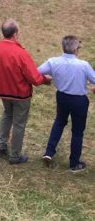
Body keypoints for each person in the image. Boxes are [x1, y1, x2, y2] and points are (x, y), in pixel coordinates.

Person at [0, 19, 50, 164]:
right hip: (20, 94)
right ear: (15, 34)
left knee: (7, 114)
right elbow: (34, 77)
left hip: (2, 91)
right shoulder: (21, 53)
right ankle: (15, 155)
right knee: (19, 123)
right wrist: (45, 79)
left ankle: (2, 146)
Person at [38, 35, 95, 173]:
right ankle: (74, 163)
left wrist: (45, 78)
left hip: (62, 97)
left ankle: (49, 152)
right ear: (75, 50)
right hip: (79, 101)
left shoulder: (53, 62)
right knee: (77, 131)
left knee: (59, 122)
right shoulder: (83, 65)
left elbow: (35, 72)